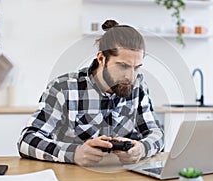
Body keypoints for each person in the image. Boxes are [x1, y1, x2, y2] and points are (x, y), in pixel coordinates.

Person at [17, 20, 164, 167]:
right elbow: (27, 140)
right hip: (74, 180)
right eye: (123, 66)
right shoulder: (63, 88)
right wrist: (74, 153)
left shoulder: (138, 86)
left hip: (124, 180)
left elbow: (157, 134)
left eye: (136, 67)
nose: (131, 77)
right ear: (101, 58)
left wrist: (142, 149)